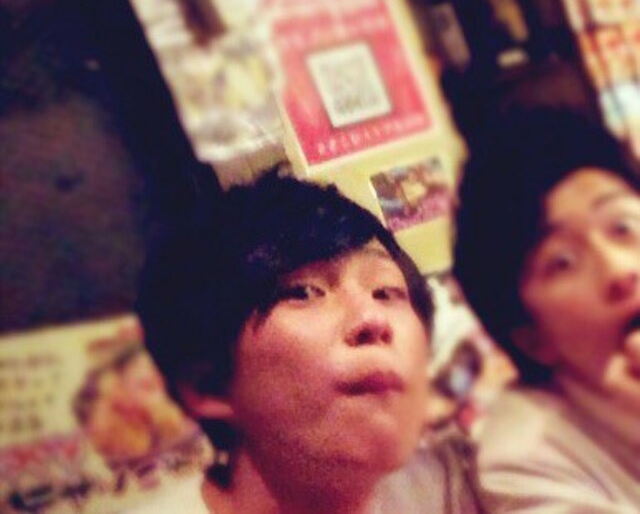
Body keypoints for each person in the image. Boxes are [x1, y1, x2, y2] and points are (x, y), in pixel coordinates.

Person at [132, 168, 482, 514]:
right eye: (303, 292)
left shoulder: (462, 480)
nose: (373, 319)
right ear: (207, 384)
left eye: (386, 292)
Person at [454, 106, 640, 513]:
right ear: (531, 338)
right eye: (563, 262)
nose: (620, 270)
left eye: (622, 227)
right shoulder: (524, 461)